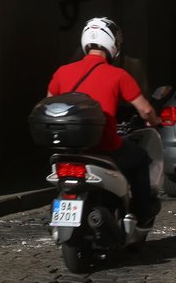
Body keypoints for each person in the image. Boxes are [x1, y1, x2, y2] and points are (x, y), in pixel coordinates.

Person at [46, 16, 161, 224]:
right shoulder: (118, 75)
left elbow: (49, 105)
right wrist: (155, 121)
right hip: (106, 147)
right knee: (141, 158)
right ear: (112, 43)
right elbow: (145, 110)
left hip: (67, 150)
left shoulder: (62, 72)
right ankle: (142, 213)